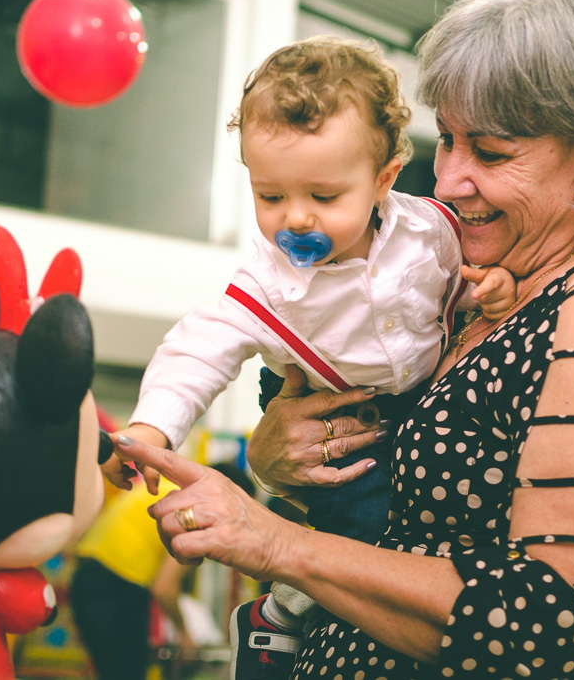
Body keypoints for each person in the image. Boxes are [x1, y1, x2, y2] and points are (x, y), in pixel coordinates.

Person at [113, 0, 574, 679]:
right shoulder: (491, 277)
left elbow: (554, 622)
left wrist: (278, 544)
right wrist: (278, 455)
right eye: (448, 140)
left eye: (490, 152)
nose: (447, 180)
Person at [104, 36, 516, 672]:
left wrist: (489, 288)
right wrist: (152, 427)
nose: (295, 219)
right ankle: (283, 612)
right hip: (331, 410)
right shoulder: (268, 283)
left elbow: (455, 285)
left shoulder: (430, 229)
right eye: (270, 197)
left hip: (417, 397)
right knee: (373, 527)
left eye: (323, 197)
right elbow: (199, 348)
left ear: (383, 180)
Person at [71, 462, 254, 680]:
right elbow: (164, 588)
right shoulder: (192, 510)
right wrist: (185, 634)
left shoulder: (168, 489)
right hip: (116, 588)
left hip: (87, 578)